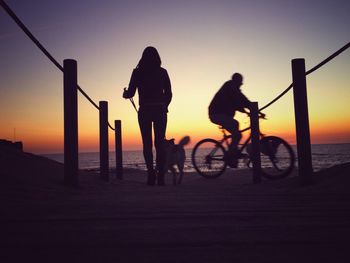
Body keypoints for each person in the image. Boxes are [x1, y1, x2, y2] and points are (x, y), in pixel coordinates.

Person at [123, 46, 172, 185]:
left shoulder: (137, 72)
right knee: (160, 144)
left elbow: (130, 93)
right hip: (160, 111)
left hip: (144, 110)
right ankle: (161, 176)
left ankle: (151, 175)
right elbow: (169, 93)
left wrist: (125, 94)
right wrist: (165, 105)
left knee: (147, 144)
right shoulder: (163, 72)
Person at [208, 73, 264, 166]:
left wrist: (257, 111)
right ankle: (231, 153)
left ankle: (232, 153)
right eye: (240, 83)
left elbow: (245, 101)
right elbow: (231, 102)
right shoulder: (228, 88)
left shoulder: (236, 90)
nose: (240, 85)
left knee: (237, 134)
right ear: (236, 81)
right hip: (215, 114)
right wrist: (245, 111)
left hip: (222, 115)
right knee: (235, 125)